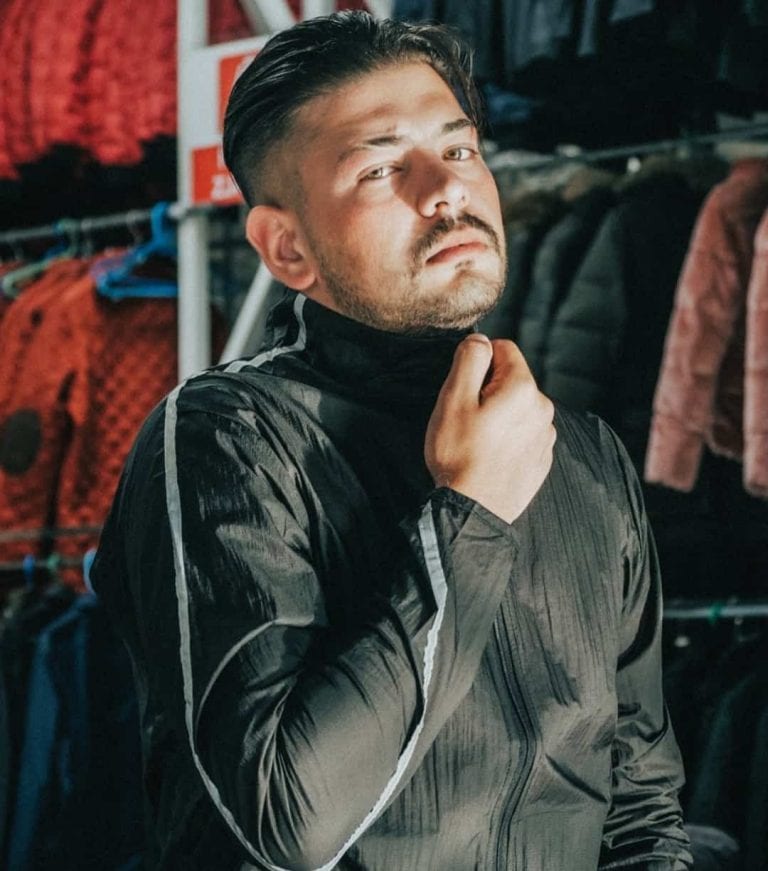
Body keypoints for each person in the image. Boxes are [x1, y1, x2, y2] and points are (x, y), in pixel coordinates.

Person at [92, 12, 693, 871]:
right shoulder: (226, 437)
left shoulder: (583, 450)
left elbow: (638, 803)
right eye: (380, 168)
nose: (446, 190)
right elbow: (286, 819)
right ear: (287, 247)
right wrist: (472, 514)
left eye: (459, 149)